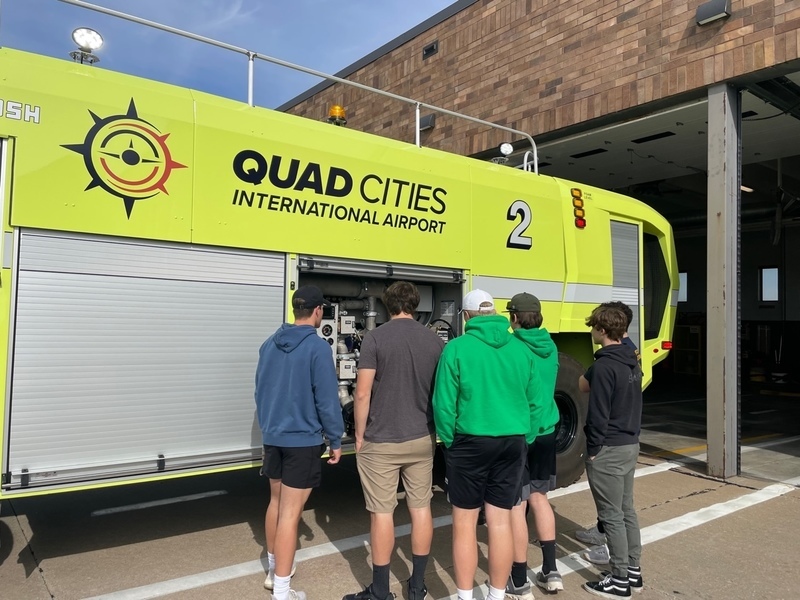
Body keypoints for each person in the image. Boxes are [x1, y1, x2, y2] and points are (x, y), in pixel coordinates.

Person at [432, 289, 539, 600]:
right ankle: (497, 593)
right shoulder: (521, 350)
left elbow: (443, 404)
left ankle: (465, 596)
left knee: (464, 523)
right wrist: (525, 438)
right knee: (501, 520)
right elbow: (534, 403)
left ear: (466, 316)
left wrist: (450, 442)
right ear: (495, 314)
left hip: (470, 441)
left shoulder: (457, 349)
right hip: (513, 441)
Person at [343, 281, 444, 600]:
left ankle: (381, 591)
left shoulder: (376, 338)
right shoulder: (434, 341)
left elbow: (361, 392)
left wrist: (359, 435)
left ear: (388, 306)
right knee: (421, 508)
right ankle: (417, 587)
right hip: (422, 437)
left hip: (381, 439)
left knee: (382, 513)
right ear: (415, 305)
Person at [256, 285, 344, 600]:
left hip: (274, 437)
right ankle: (282, 591)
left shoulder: (269, 344)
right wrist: (335, 438)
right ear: (318, 311)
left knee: (276, 505)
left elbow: (260, 391)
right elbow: (326, 400)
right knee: (292, 514)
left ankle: (273, 570)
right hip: (302, 440)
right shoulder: (317, 348)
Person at [580, 305, 643, 598]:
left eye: (593, 327)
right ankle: (633, 570)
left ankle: (619, 579)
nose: (591, 331)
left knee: (612, 515)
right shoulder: (632, 361)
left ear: (602, 331)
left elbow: (598, 414)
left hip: (609, 448)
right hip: (630, 444)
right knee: (626, 510)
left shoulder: (605, 367)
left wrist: (592, 450)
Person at [505, 293, 563, 599]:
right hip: (548, 430)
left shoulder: (514, 347)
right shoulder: (550, 345)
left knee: (518, 503)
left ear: (514, 318)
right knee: (540, 497)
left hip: (522, 432)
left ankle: (518, 578)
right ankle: (551, 570)